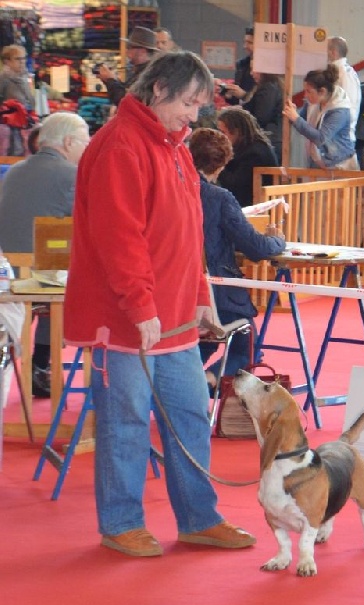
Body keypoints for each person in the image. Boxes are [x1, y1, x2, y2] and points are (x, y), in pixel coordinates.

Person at [63, 51, 256, 558]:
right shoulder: (121, 146)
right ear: (159, 91)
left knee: (190, 417)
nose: (195, 114)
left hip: (174, 320)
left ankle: (198, 517)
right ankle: (121, 522)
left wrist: (198, 297)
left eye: (200, 104)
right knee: (125, 423)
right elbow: (118, 238)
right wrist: (141, 306)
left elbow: (189, 234)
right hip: (127, 321)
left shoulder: (174, 146)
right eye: (190, 102)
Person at [187, 127, 285, 392]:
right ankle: (204, 382)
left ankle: (188, 381)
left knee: (201, 344)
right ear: (221, 164)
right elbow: (257, 248)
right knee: (248, 349)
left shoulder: (172, 188)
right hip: (216, 298)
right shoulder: (220, 198)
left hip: (179, 295)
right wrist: (279, 239)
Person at [0, 111, 90, 398]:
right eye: (84, 142)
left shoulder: (15, 170)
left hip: (7, 276)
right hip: (42, 279)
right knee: (73, 276)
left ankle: (38, 364)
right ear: (67, 142)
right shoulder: (72, 176)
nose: (87, 148)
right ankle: (41, 362)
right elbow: (90, 227)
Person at [282, 65, 358, 171]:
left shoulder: (340, 109)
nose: (305, 95)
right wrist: (292, 115)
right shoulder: (313, 102)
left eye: (309, 91)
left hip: (340, 164)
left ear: (322, 91)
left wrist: (296, 118)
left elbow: (321, 138)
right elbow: (302, 121)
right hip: (318, 160)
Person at [216, 106, 279, 207]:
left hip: (257, 205)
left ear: (237, 132)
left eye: (223, 132)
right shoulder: (246, 146)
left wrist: (215, 164)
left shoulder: (254, 153)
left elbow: (234, 185)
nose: (220, 136)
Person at [96, 26, 159, 107]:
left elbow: (126, 101)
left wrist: (110, 80)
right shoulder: (142, 70)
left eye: (129, 47)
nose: (126, 51)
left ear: (142, 51)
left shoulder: (149, 74)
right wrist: (111, 80)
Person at [0, 44, 35, 156]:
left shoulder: (24, 77)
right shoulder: (4, 78)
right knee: (14, 151)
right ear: (7, 61)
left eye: (24, 58)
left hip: (26, 121)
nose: (22, 61)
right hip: (11, 124)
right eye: (18, 59)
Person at [242, 69, 284, 162]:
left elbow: (262, 117)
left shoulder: (268, 88)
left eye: (255, 70)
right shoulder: (273, 86)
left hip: (270, 138)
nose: (251, 73)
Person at [327, 36, 360, 143]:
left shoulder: (345, 74)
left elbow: (349, 105)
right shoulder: (335, 72)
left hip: (340, 138)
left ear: (333, 52)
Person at [219, 27, 255, 105]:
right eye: (245, 42)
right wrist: (228, 95)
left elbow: (262, 103)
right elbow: (236, 100)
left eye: (250, 42)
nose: (245, 46)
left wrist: (244, 95)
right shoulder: (242, 65)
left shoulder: (267, 72)